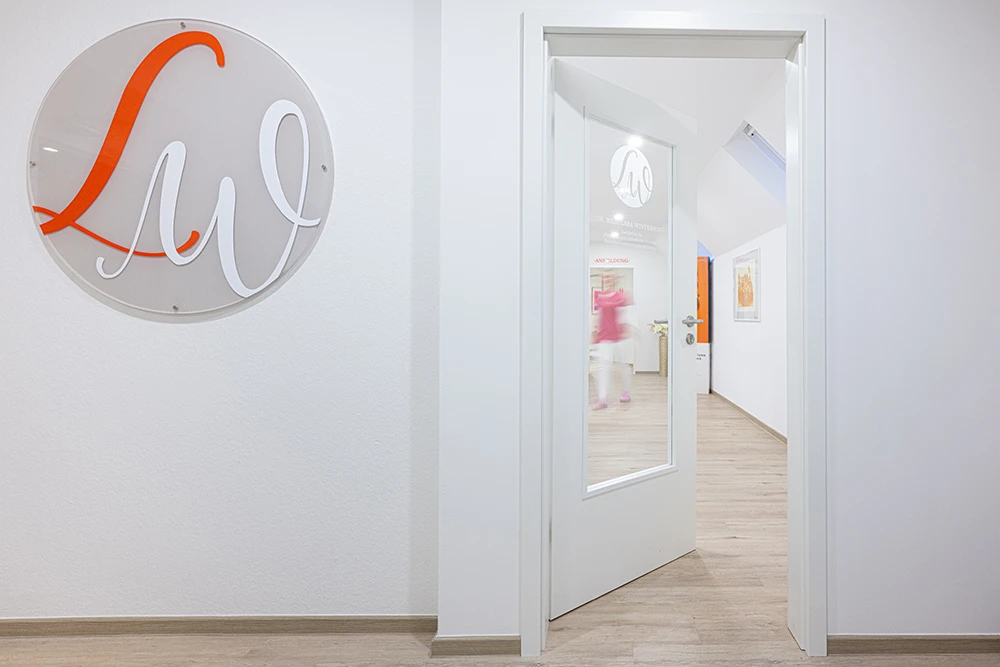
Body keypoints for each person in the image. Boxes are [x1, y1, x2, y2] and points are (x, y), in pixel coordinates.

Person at [592, 270, 634, 410]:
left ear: (615, 279)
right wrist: (595, 331)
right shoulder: (600, 297)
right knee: (603, 367)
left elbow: (625, 315)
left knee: (623, 366)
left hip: (620, 337)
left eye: (610, 277)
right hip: (604, 337)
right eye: (605, 277)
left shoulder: (621, 296)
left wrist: (628, 329)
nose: (607, 279)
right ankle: (602, 398)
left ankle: (626, 392)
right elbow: (599, 316)